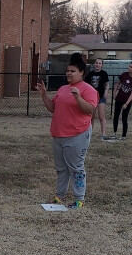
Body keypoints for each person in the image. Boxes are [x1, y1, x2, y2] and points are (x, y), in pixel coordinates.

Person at [36, 53, 98, 209]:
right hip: (58, 135)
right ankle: (60, 195)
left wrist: (78, 98)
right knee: (61, 168)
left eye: (73, 71)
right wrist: (44, 96)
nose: (69, 73)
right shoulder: (63, 89)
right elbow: (53, 108)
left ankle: (79, 199)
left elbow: (89, 110)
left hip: (77, 134)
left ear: (81, 72)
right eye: (68, 71)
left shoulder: (88, 89)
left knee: (76, 167)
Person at [111, 61, 132, 141]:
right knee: (115, 116)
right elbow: (117, 84)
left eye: (131, 67)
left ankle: (123, 136)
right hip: (119, 99)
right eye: (129, 66)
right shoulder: (124, 75)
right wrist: (114, 93)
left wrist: (126, 104)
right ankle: (114, 132)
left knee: (124, 118)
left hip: (126, 101)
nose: (129, 68)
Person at [85, 58, 110, 140]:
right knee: (91, 116)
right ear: (94, 64)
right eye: (96, 63)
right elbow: (86, 86)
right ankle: (89, 133)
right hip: (92, 97)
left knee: (101, 116)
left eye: (99, 63)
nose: (97, 65)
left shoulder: (104, 73)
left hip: (101, 97)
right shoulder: (90, 74)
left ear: (102, 65)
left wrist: (106, 91)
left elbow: (107, 84)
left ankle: (103, 134)